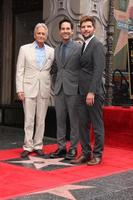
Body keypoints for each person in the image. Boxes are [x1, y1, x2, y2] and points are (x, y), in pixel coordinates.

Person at [16, 23, 54, 158]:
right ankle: (28, 145)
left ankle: (38, 145)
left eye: (43, 34)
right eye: (39, 33)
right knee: (29, 119)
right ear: (34, 34)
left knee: (41, 119)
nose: (41, 36)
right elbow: (20, 70)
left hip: (44, 88)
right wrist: (19, 89)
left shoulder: (51, 51)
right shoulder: (24, 49)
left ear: (46, 36)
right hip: (28, 88)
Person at [71, 16, 105, 165]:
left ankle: (97, 155)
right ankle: (86, 153)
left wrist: (92, 91)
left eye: (88, 26)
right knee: (83, 124)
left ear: (94, 28)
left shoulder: (97, 45)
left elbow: (98, 70)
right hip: (81, 91)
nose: (85, 29)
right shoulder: (84, 45)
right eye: (83, 27)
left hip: (93, 92)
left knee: (96, 125)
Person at [50, 18, 81, 160]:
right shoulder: (57, 48)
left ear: (72, 31)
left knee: (74, 121)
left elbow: (83, 69)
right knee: (60, 119)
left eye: (68, 29)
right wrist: (54, 83)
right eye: (63, 29)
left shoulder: (78, 47)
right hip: (59, 90)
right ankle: (61, 147)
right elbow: (56, 69)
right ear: (59, 31)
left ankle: (73, 148)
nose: (65, 31)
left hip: (73, 89)